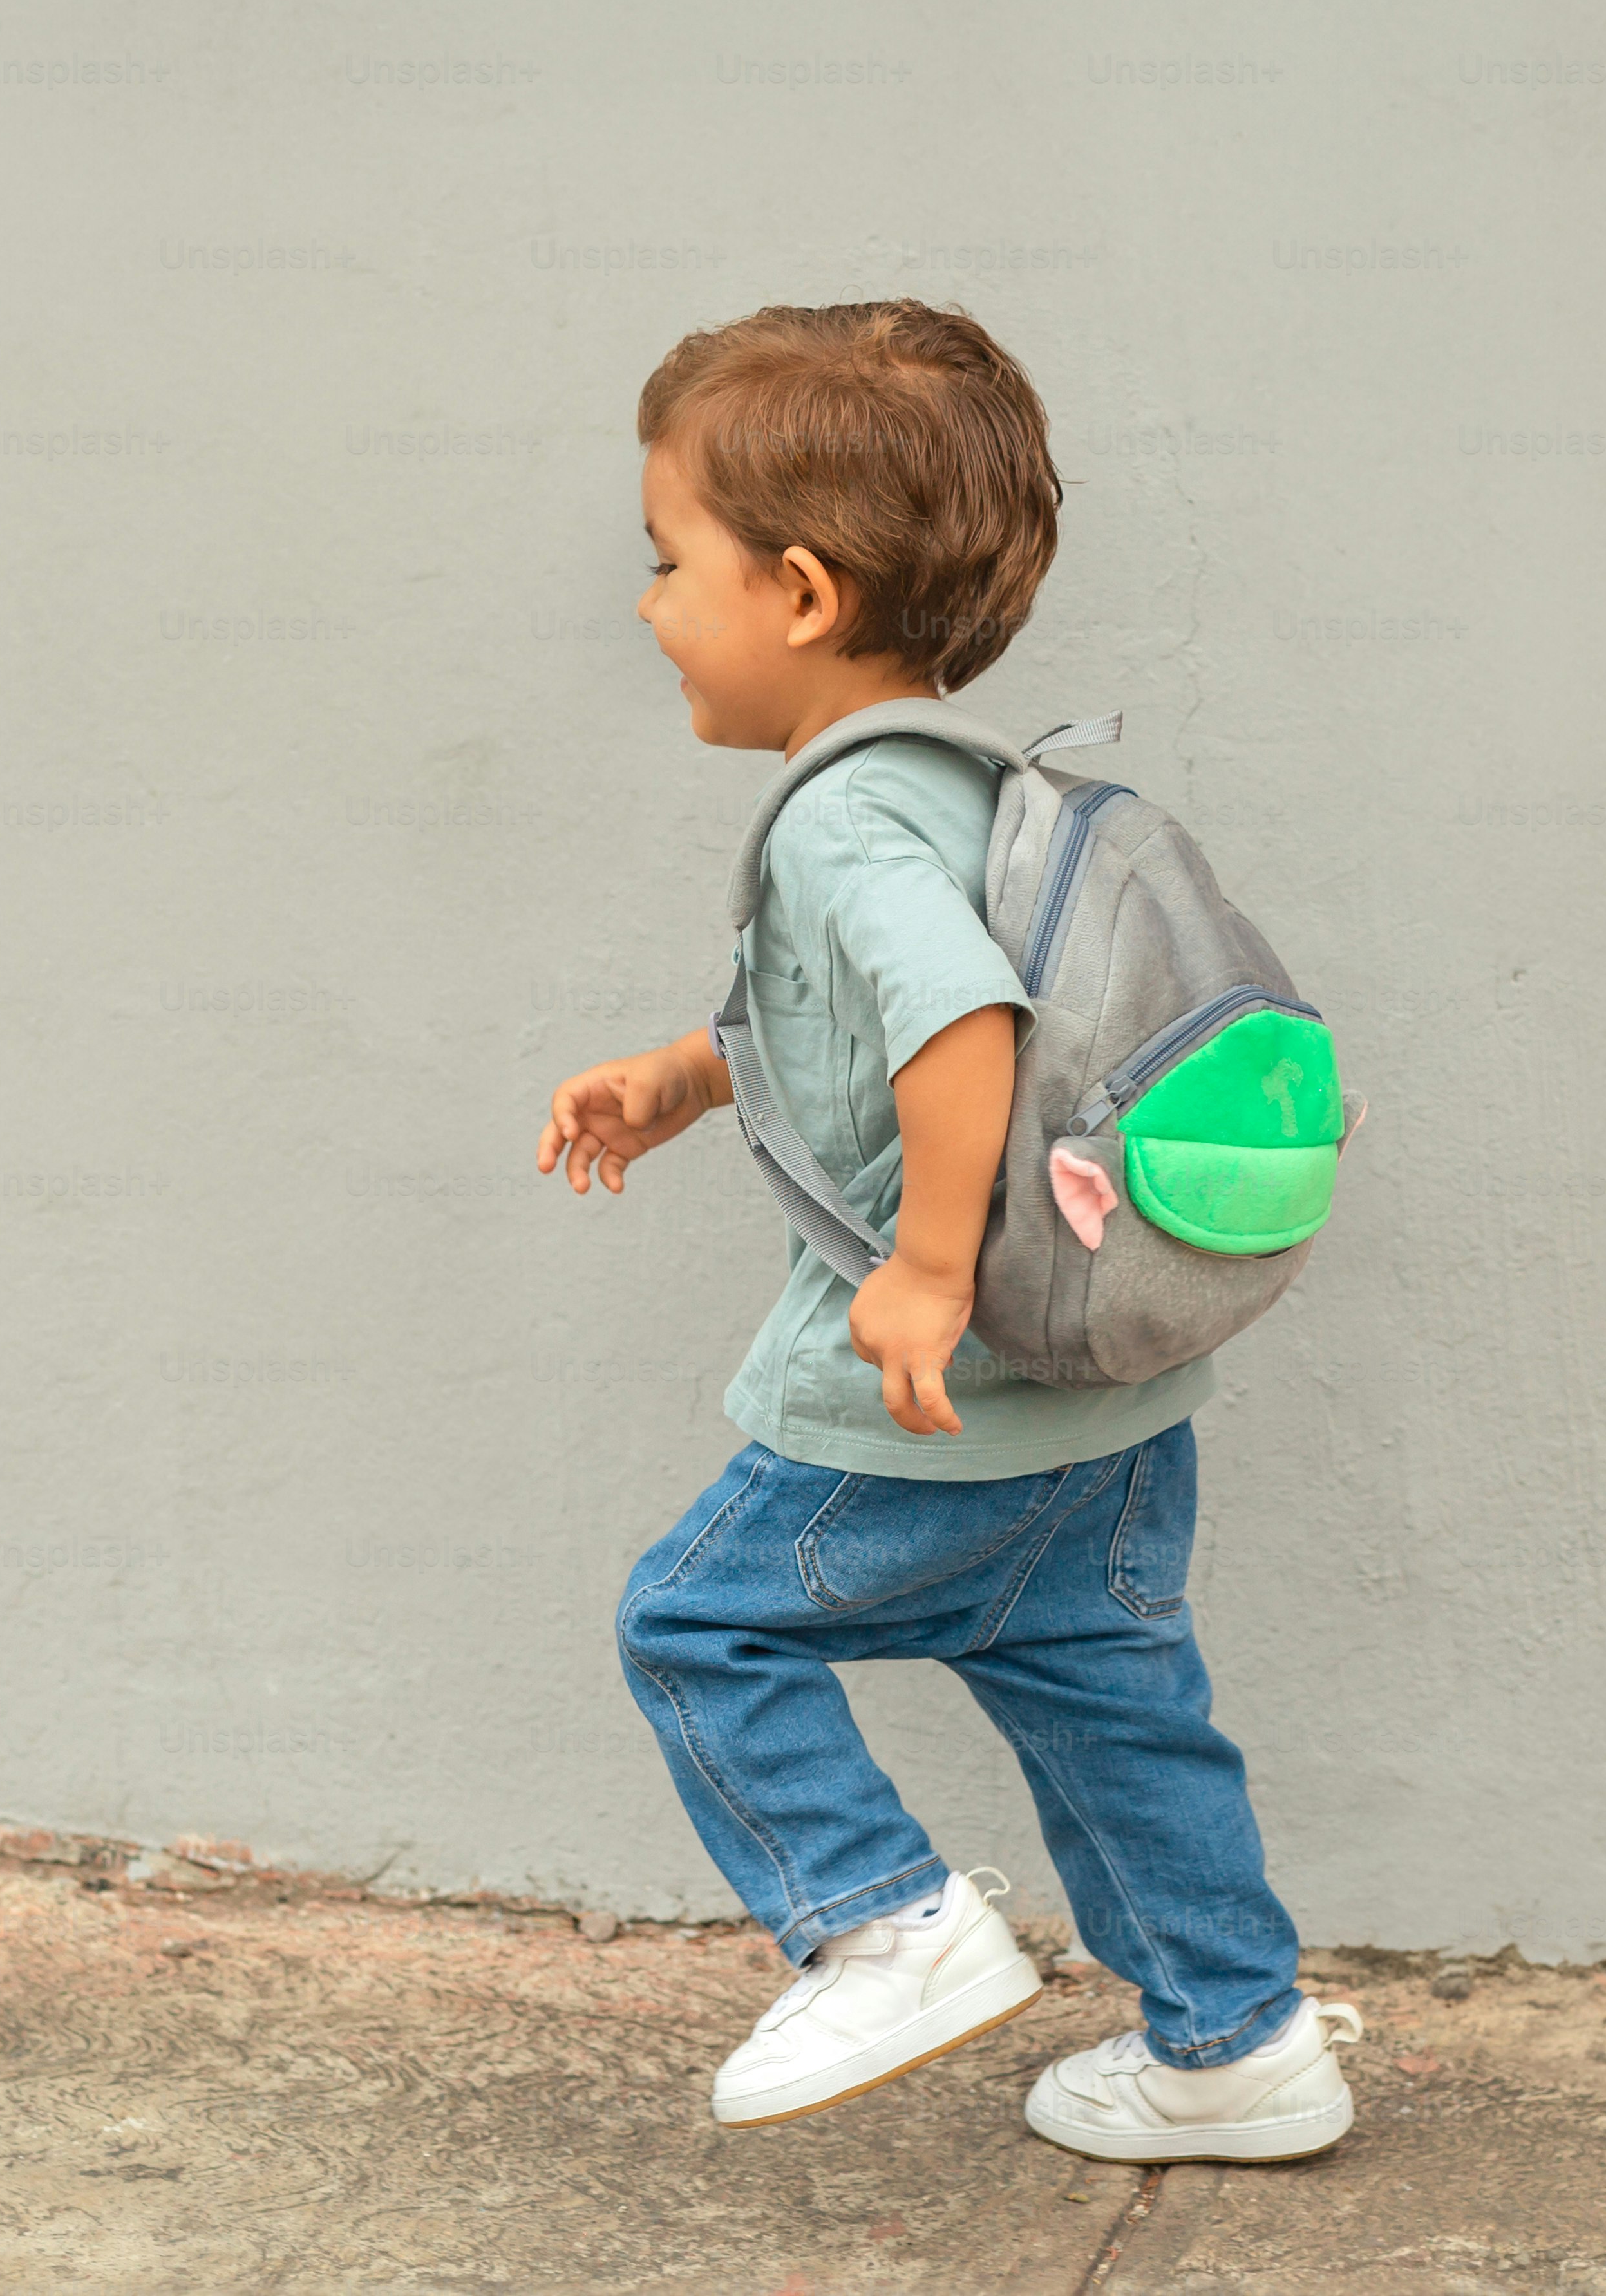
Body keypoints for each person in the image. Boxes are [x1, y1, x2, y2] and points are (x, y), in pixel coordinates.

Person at [534, 302, 1361, 2163]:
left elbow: (958, 1028)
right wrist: (686, 1077)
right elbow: (873, 1029)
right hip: (1109, 1408)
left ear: (803, 594)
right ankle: (1237, 2050)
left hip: (936, 1399)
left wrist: (918, 1270)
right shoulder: (979, 789)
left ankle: (885, 1924)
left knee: (695, 1626)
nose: (652, 604)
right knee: (1120, 1718)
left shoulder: (841, 823)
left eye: (672, 565)